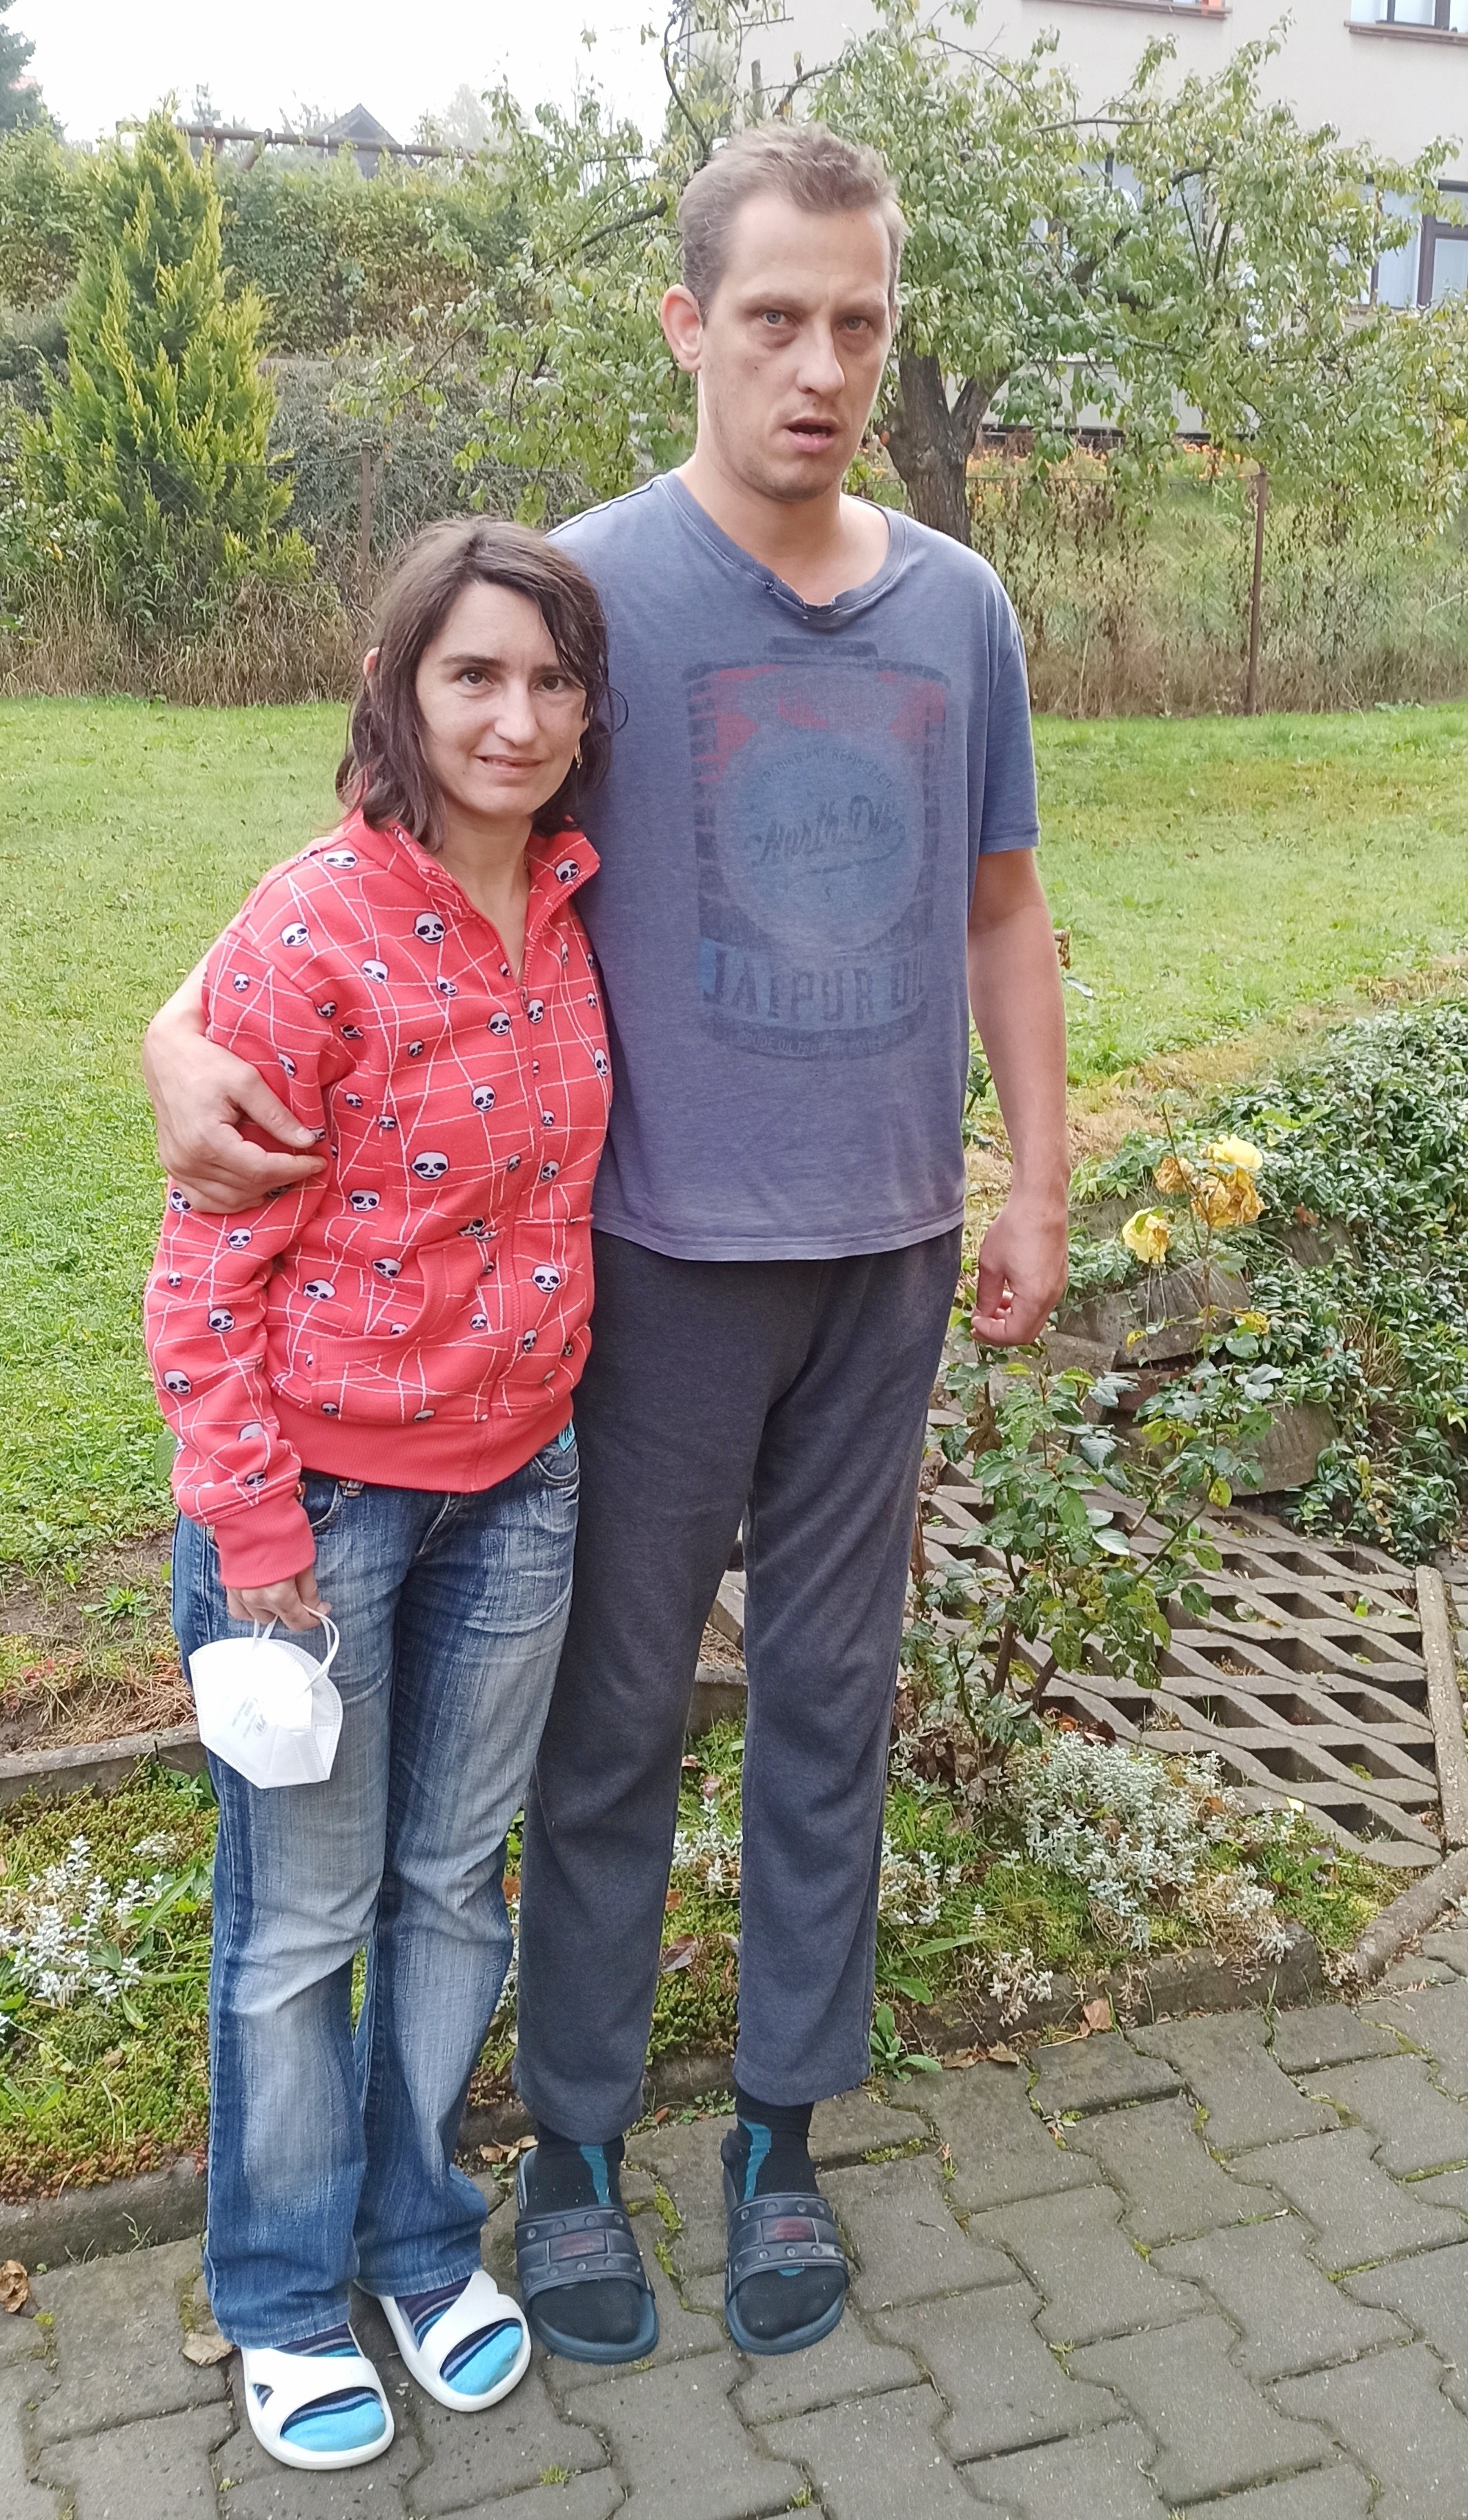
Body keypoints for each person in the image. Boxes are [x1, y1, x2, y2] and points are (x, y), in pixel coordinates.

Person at [143, 122, 1069, 2367]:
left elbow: (1001, 906)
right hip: (644, 1272)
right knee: (612, 1722)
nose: (820, 367)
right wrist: (173, 1034)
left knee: (832, 1704)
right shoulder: (587, 596)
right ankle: (568, 2150)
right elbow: (376, 859)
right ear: (687, 324)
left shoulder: (961, 607)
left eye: (858, 325)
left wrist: (1035, 1176)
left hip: (887, 1260)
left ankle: (778, 2133)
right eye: (775, 319)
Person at [145, 517, 616, 2466]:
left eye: (551, 680)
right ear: (397, 691)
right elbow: (202, 1270)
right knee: (300, 1921)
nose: (515, 718)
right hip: (318, 1514)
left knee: (447, 1886)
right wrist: (256, 1539)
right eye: (472, 675)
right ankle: (276, 2294)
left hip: (523, 1488)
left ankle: (421, 2244)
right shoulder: (312, 926)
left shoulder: (574, 904)